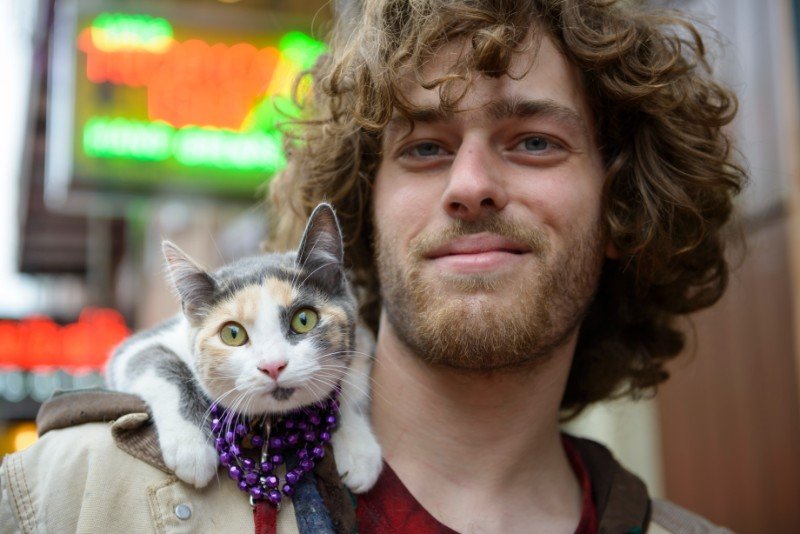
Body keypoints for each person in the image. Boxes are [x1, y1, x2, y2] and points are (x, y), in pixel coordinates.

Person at [1, 0, 744, 532]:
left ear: (619, 206)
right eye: (424, 147)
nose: (470, 185)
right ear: (362, 211)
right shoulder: (76, 497)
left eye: (534, 141)